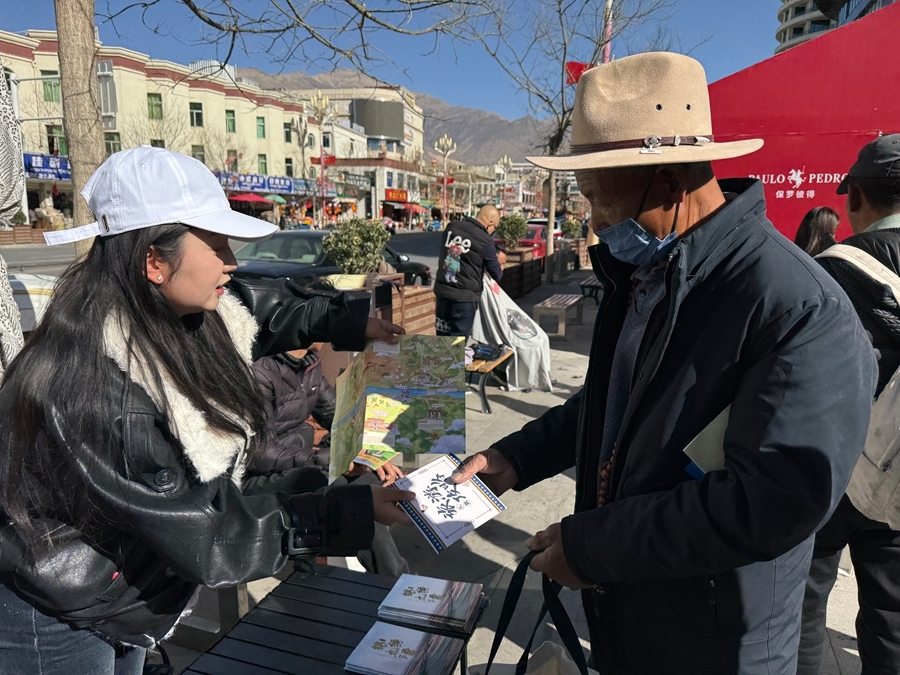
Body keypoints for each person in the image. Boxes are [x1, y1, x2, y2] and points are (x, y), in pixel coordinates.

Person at [452, 52, 876, 674]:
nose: (595, 222)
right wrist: (513, 458)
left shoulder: (798, 309)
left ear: (671, 178)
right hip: (630, 616)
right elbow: (611, 404)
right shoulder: (647, 275)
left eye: (600, 198)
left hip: (718, 646)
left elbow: (770, 501)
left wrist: (592, 547)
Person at [0, 146, 414, 674]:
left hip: (127, 586)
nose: (232, 261)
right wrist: (349, 510)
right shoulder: (96, 388)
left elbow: (258, 309)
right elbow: (209, 536)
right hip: (57, 613)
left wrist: (346, 320)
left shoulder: (169, 312)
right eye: (216, 244)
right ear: (154, 261)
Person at [798, 134, 900, 674]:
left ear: (856, 195)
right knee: (892, 617)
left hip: (828, 470)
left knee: (805, 596)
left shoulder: (828, 271)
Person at [245, 334, 410, 577]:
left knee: (367, 483)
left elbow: (338, 416)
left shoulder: (308, 363)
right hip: (254, 478)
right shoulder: (259, 370)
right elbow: (260, 455)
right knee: (341, 491)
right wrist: (331, 460)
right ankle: (394, 581)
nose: (332, 329)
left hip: (298, 463)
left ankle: (391, 579)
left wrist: (371, 453)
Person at [434, 205, 503, 338]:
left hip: (443, 292)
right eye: (495, 227)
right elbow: (497, 274)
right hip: (464, 298)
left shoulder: (452, 227)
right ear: (490, 224)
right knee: (457, 340)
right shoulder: (485, 240)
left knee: (442, 337)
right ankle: (454, 353)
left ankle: (443, 352)